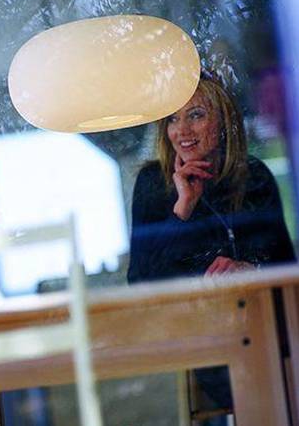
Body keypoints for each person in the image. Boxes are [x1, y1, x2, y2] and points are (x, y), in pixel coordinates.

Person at [127, 72, 296, 423]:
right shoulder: (153, 186)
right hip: (204, 338)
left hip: (270, 329)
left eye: (196, 115)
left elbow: (287, 269)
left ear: (223, 122)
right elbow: (141, 284)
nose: (182, 131)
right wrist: (182, 209)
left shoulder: (255, 176)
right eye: (172, 119)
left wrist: (252, 272)